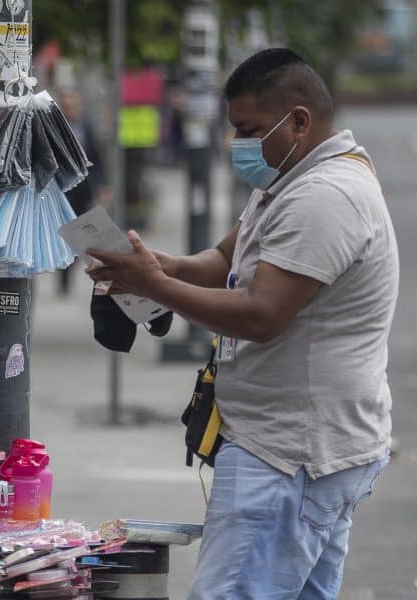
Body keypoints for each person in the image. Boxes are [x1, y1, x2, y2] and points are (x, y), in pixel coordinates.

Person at [87, 48, 396, 599]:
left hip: (288, 457)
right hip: (296, 450)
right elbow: (226, 262)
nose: (239, 145)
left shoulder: (325, 196)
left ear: (298, 121)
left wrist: (154, 286)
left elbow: (262, 314)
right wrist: (155, 267)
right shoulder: (288, 180)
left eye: (249, 130)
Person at [56, 87, 109, 297]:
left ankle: (71, 267)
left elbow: (96, 158)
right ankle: (63, 277)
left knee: (79, 238)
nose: (69, 110)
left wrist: (103, 186)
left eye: (72, 106)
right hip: (62, 193)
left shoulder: (86, 128)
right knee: (63, 236)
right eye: (66, 106)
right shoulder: (56, 130)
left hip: (82, 193)